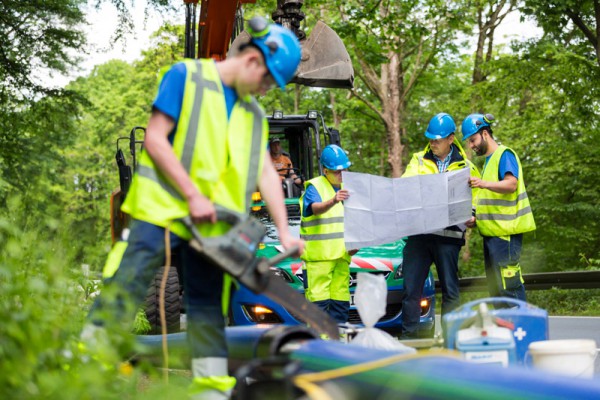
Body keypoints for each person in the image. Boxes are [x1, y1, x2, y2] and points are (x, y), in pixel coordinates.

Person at [85, 17, 304, 399]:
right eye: (267, 82)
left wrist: (285, 229)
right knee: (130, 280)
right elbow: (155, 139)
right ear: (254, 60)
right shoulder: (185, 76)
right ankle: (86, 364)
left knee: (205, 301)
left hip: (212, 229)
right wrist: (192, 195)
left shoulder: (252, 113)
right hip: (163, 211)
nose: (265, 91)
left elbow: (265, 172)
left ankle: (211, 389)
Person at [399, 113, 481, 339]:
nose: (433, 142)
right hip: (419, 236)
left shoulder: (467, 166)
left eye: (438, 139)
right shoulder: (418, 160)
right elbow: (406, 187)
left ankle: (451, 339)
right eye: (430, 138)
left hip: (449, 237)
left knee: (450, 291)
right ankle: (410, 340)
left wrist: (473, 215)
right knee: (411, 290)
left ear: (451, 139)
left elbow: (478, 197)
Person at [462, 113, 536, 302]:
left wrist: (483, 183)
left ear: (485, 133)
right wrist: (476, 220)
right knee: (497, 293)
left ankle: (521, 328)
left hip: (506, 237)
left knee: (508, 289)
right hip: (492, 237)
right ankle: (505, 330)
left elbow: (511, 184)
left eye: (473, 140)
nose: (471, 145)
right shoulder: (489, 163)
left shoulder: (505, 155)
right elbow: (493, 204)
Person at [299, 144, 357, 323]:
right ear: (325, 170)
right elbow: (315, 209)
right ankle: (320, 347)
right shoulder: (314, 188)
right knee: (318, 306)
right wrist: (333, 200)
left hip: (341, 258)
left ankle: (338, 344)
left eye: (344, 170)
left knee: (340, 304)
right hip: (319, 261)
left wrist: (358, 243)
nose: (342, 174)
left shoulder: (349, 188)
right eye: (337, 171)